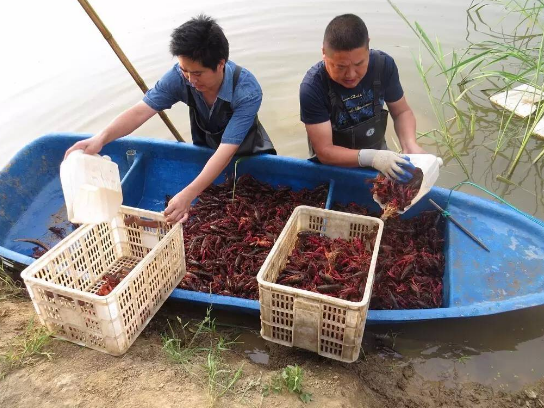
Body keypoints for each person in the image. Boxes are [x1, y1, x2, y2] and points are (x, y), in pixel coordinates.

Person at [65, 15, 275, 223]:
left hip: (249, 152)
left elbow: (226, 151)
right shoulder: (179, 77)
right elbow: (141, 111)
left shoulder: (247, 91)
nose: (191, 80)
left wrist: (190, 193)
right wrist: (101, 138)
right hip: (207, 148)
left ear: (220, 64)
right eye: (185, 71)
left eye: (198, 73)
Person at [299, 13, 426, 182]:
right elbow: (325, 152)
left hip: (380, 154)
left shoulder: (383, 65)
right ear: (324, 53)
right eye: (340, 66)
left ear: (368, 48)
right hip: (334, 168)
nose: (351, 74)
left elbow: (401, 112)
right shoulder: (313, 87)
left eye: (359, 64)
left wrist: (410, 144)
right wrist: (372, 158)